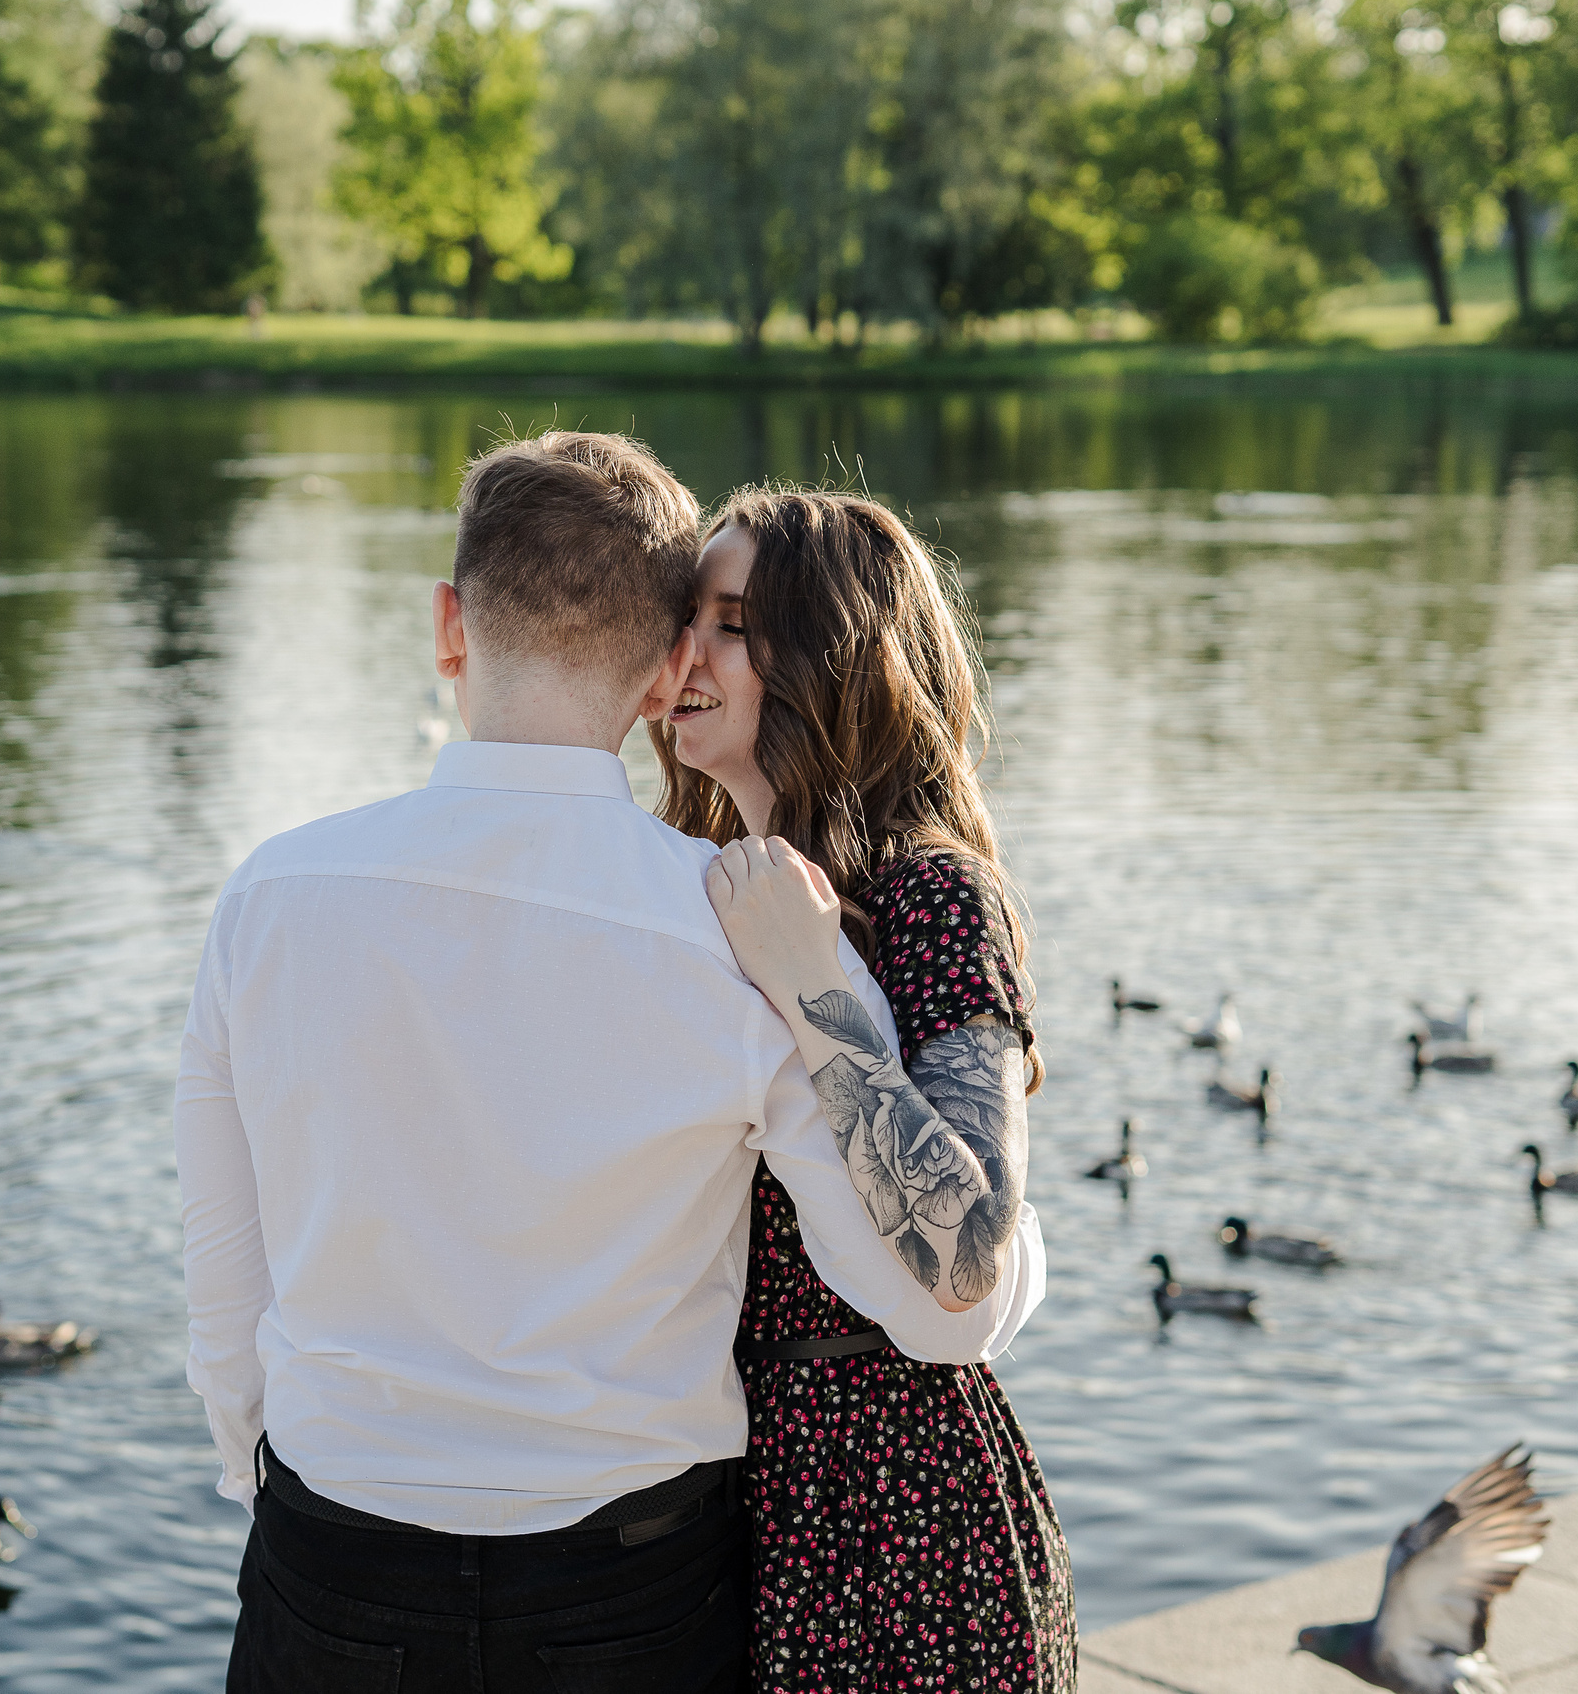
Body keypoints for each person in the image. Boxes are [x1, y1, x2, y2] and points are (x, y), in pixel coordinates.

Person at [173, 432, 1048, 1694]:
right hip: (630, 1580)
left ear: (446, 627)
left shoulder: (269, 895)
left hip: (333, 1553)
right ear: (659, 672)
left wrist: (284, 1471)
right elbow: (945, 1299)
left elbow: (225, 1268)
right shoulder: (735, 924)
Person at [658, 486, 1080, 1692]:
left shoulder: (932, 896)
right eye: (688, 617)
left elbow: (964, 1251)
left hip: (904, 1518)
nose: (687, 652)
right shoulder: (687, 887)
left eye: (731, 622)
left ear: (830, 653)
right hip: (729, 1505)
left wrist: (809, 985)